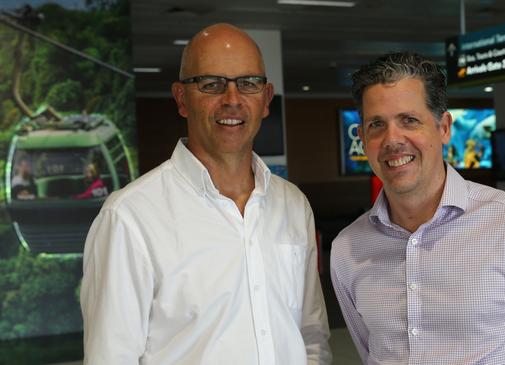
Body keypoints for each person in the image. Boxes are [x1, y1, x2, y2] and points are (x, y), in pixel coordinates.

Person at [81, 23, 331, 365]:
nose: (232, 100)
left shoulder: (293, 205)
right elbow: (111, 357)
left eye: (248, 84)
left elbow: (311, 336)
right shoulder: (129, 217)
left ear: (266, 99)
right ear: (182, 99)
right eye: (211, 84)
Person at [330, 52, 505, 365]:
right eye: (377, 125)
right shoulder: (348, 249)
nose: (392, 139)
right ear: (362, 138)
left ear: (443, 127)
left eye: (409, 120)